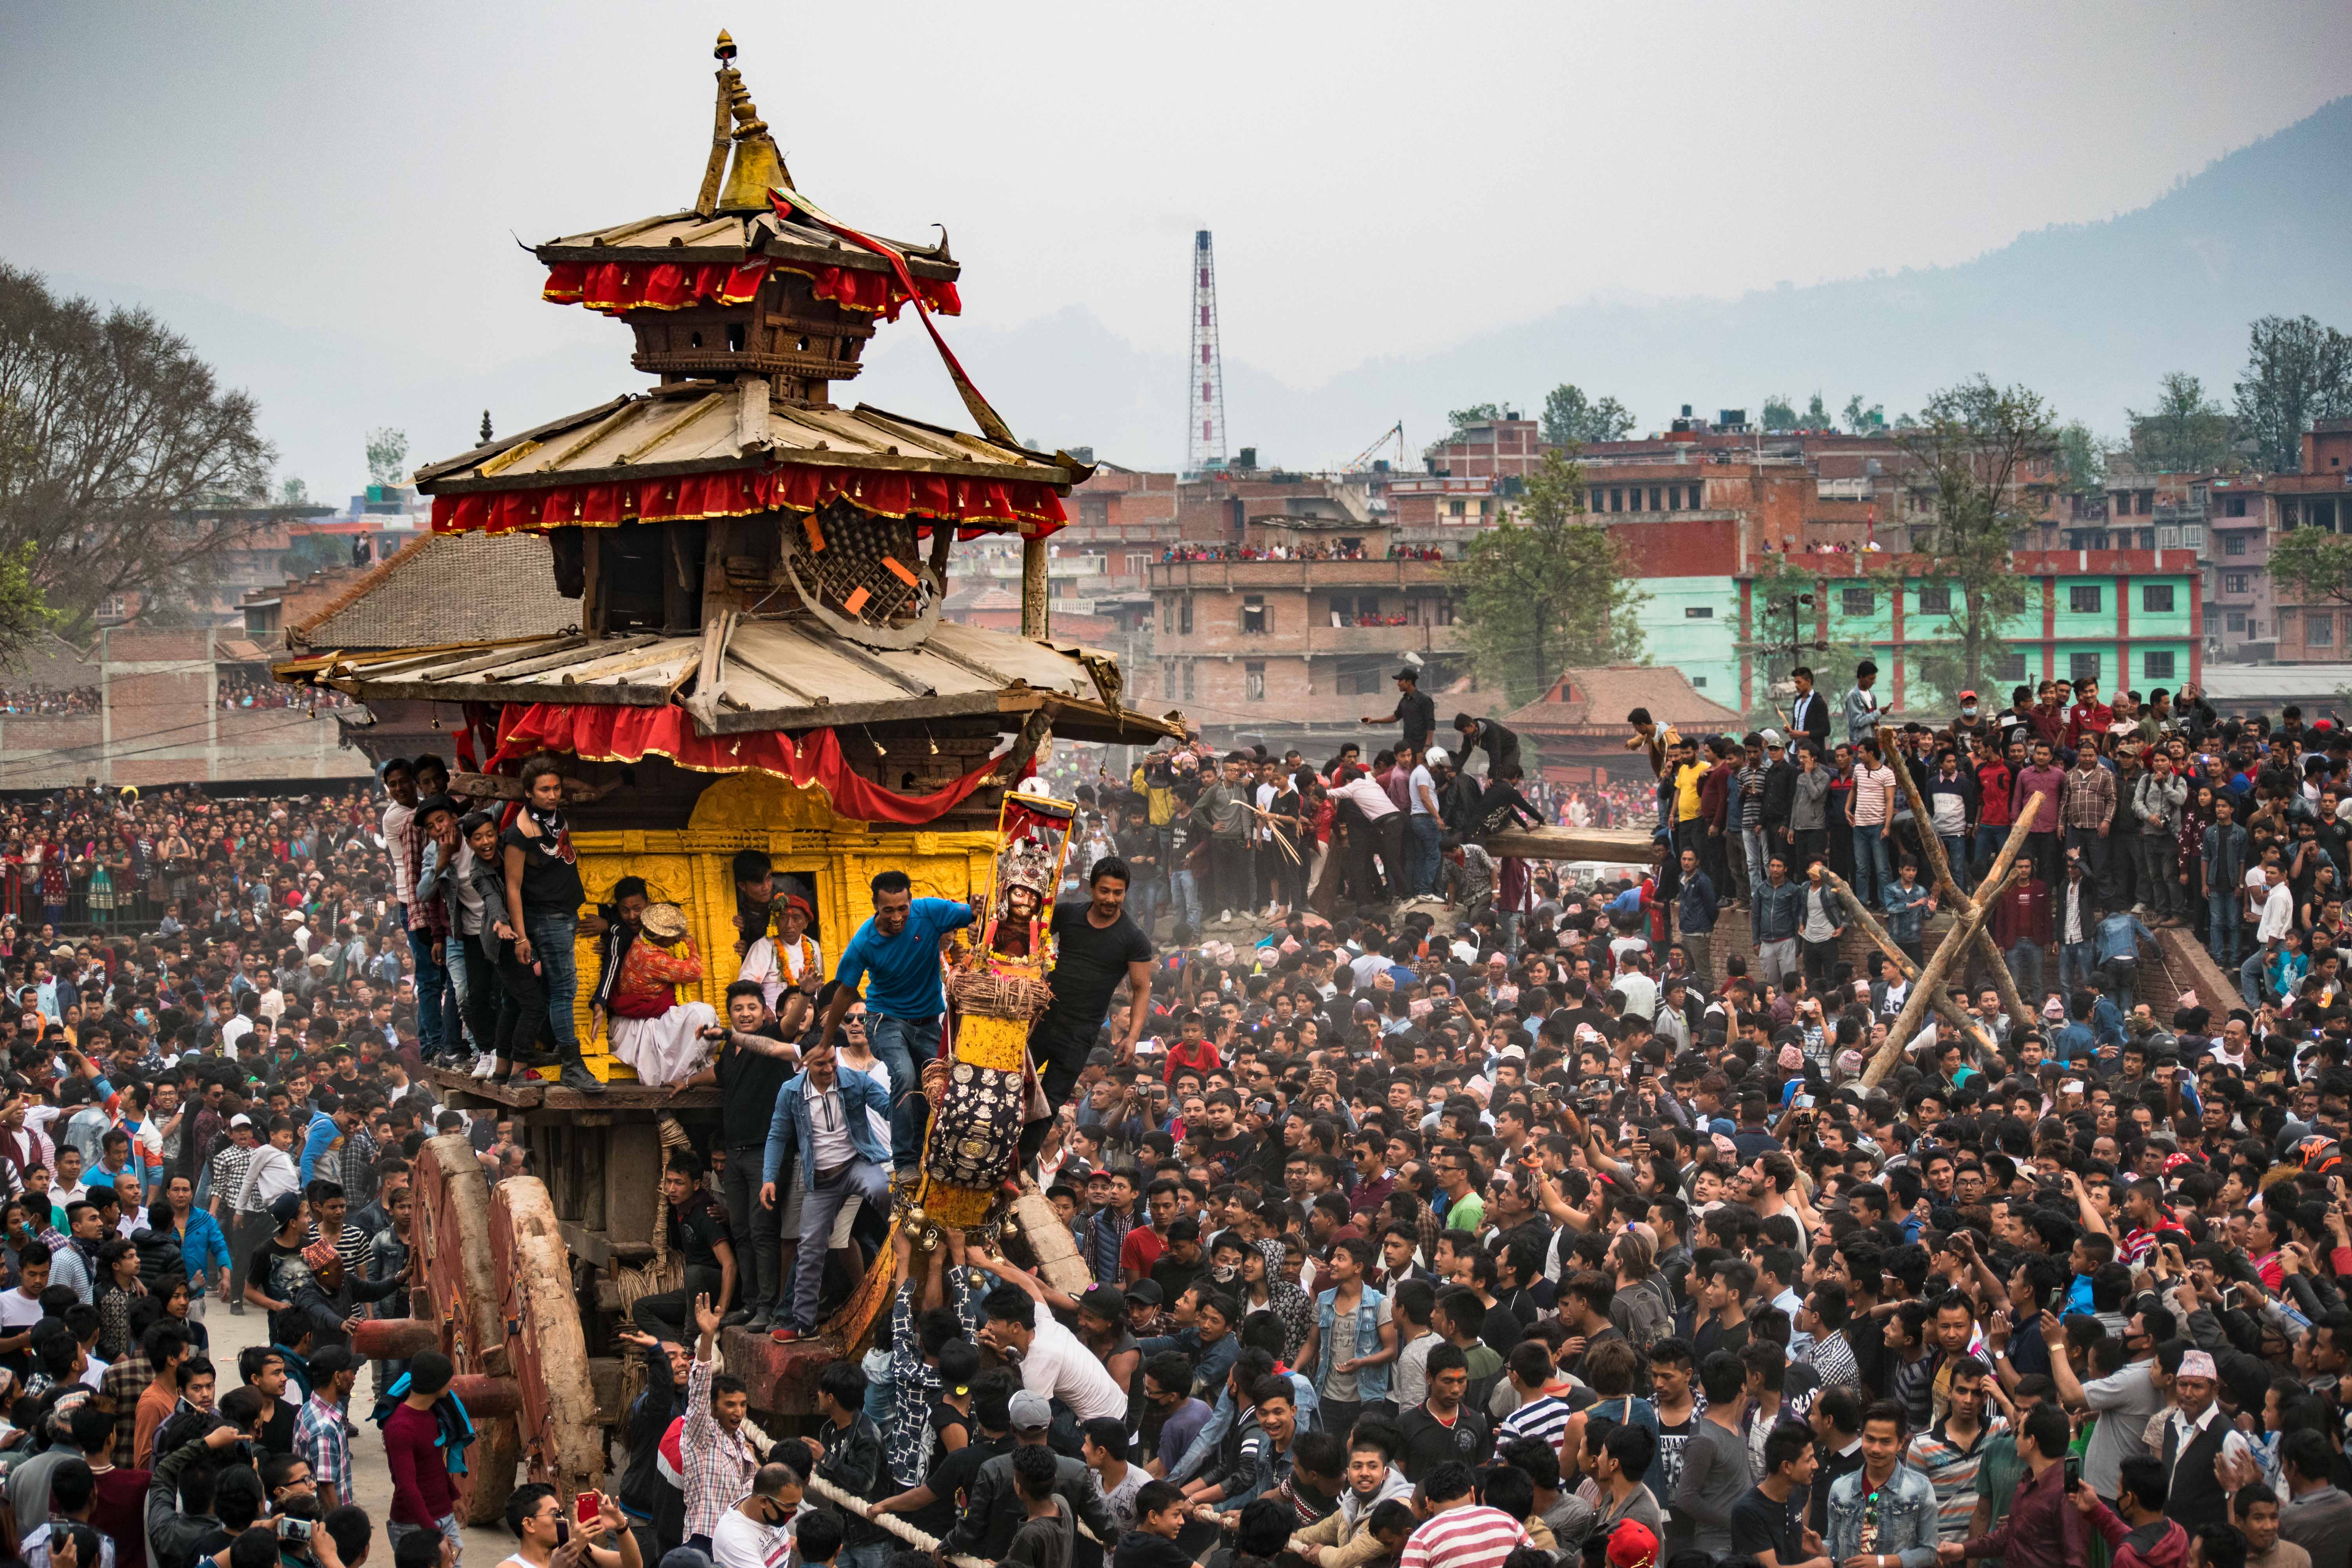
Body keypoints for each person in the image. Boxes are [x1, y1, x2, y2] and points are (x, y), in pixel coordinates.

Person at [1020, 859, 1155, 1168]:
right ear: (1091, 888)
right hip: (1042, 1019)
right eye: (1105, 891)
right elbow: (1031, 936)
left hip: (1081, 1032)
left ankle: (1019, 1163)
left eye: (1118, 893)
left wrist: (1133, 1038)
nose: (1111, 899)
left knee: (1050, 1101)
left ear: (1126, 893)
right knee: (1014, 1083)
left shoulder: (1133, 937)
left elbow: (1141, 989)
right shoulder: (1067, 914)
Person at [762, 1042, 891, 1344]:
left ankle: (904, 1237)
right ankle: (804, 1323)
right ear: (805, 1064)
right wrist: (769, 1178)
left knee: (881, 1190)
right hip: (820, 1181)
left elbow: (888, 1107)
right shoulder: (792, 1092)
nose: (830, 1069)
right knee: (809, 1248)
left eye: (833, 1061)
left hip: (856, 1163)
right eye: (821, 1064)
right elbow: (777, 1134)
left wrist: (910, 1098)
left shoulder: (854, 1080)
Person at [384, 1349, 463, 1563]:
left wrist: (453, 1496)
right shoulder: (400, 1428)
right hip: (414, 1525)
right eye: (448, 1379)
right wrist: (435, 1533)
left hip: (443, 1517)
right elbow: (406, 1487)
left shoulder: (431, 1413)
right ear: (436, 1385)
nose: (451, 1384)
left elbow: (435, 1463)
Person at [1730, 1422, 1832, 1568]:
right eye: (1809, 1459)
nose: (1816, 1465)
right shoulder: (1748, 1511)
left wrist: (1813, 1550)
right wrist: (1814, 1566)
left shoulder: (1795, 1493)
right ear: (1787, 1467)